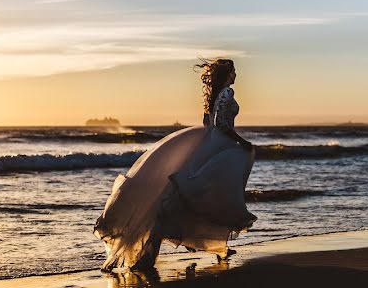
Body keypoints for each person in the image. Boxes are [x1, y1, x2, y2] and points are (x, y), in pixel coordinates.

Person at [93, 58, 257, 272]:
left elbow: (208, 123)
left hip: (210, 142)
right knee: (213, 195)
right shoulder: (227, 93)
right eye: (234, 71)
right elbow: (221, 125)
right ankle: (213, 245)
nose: (236, 75)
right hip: (219, 144)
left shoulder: (214, 95)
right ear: (228, 74)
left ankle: (164, 249)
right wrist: (242, 142)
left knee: (199, 196)